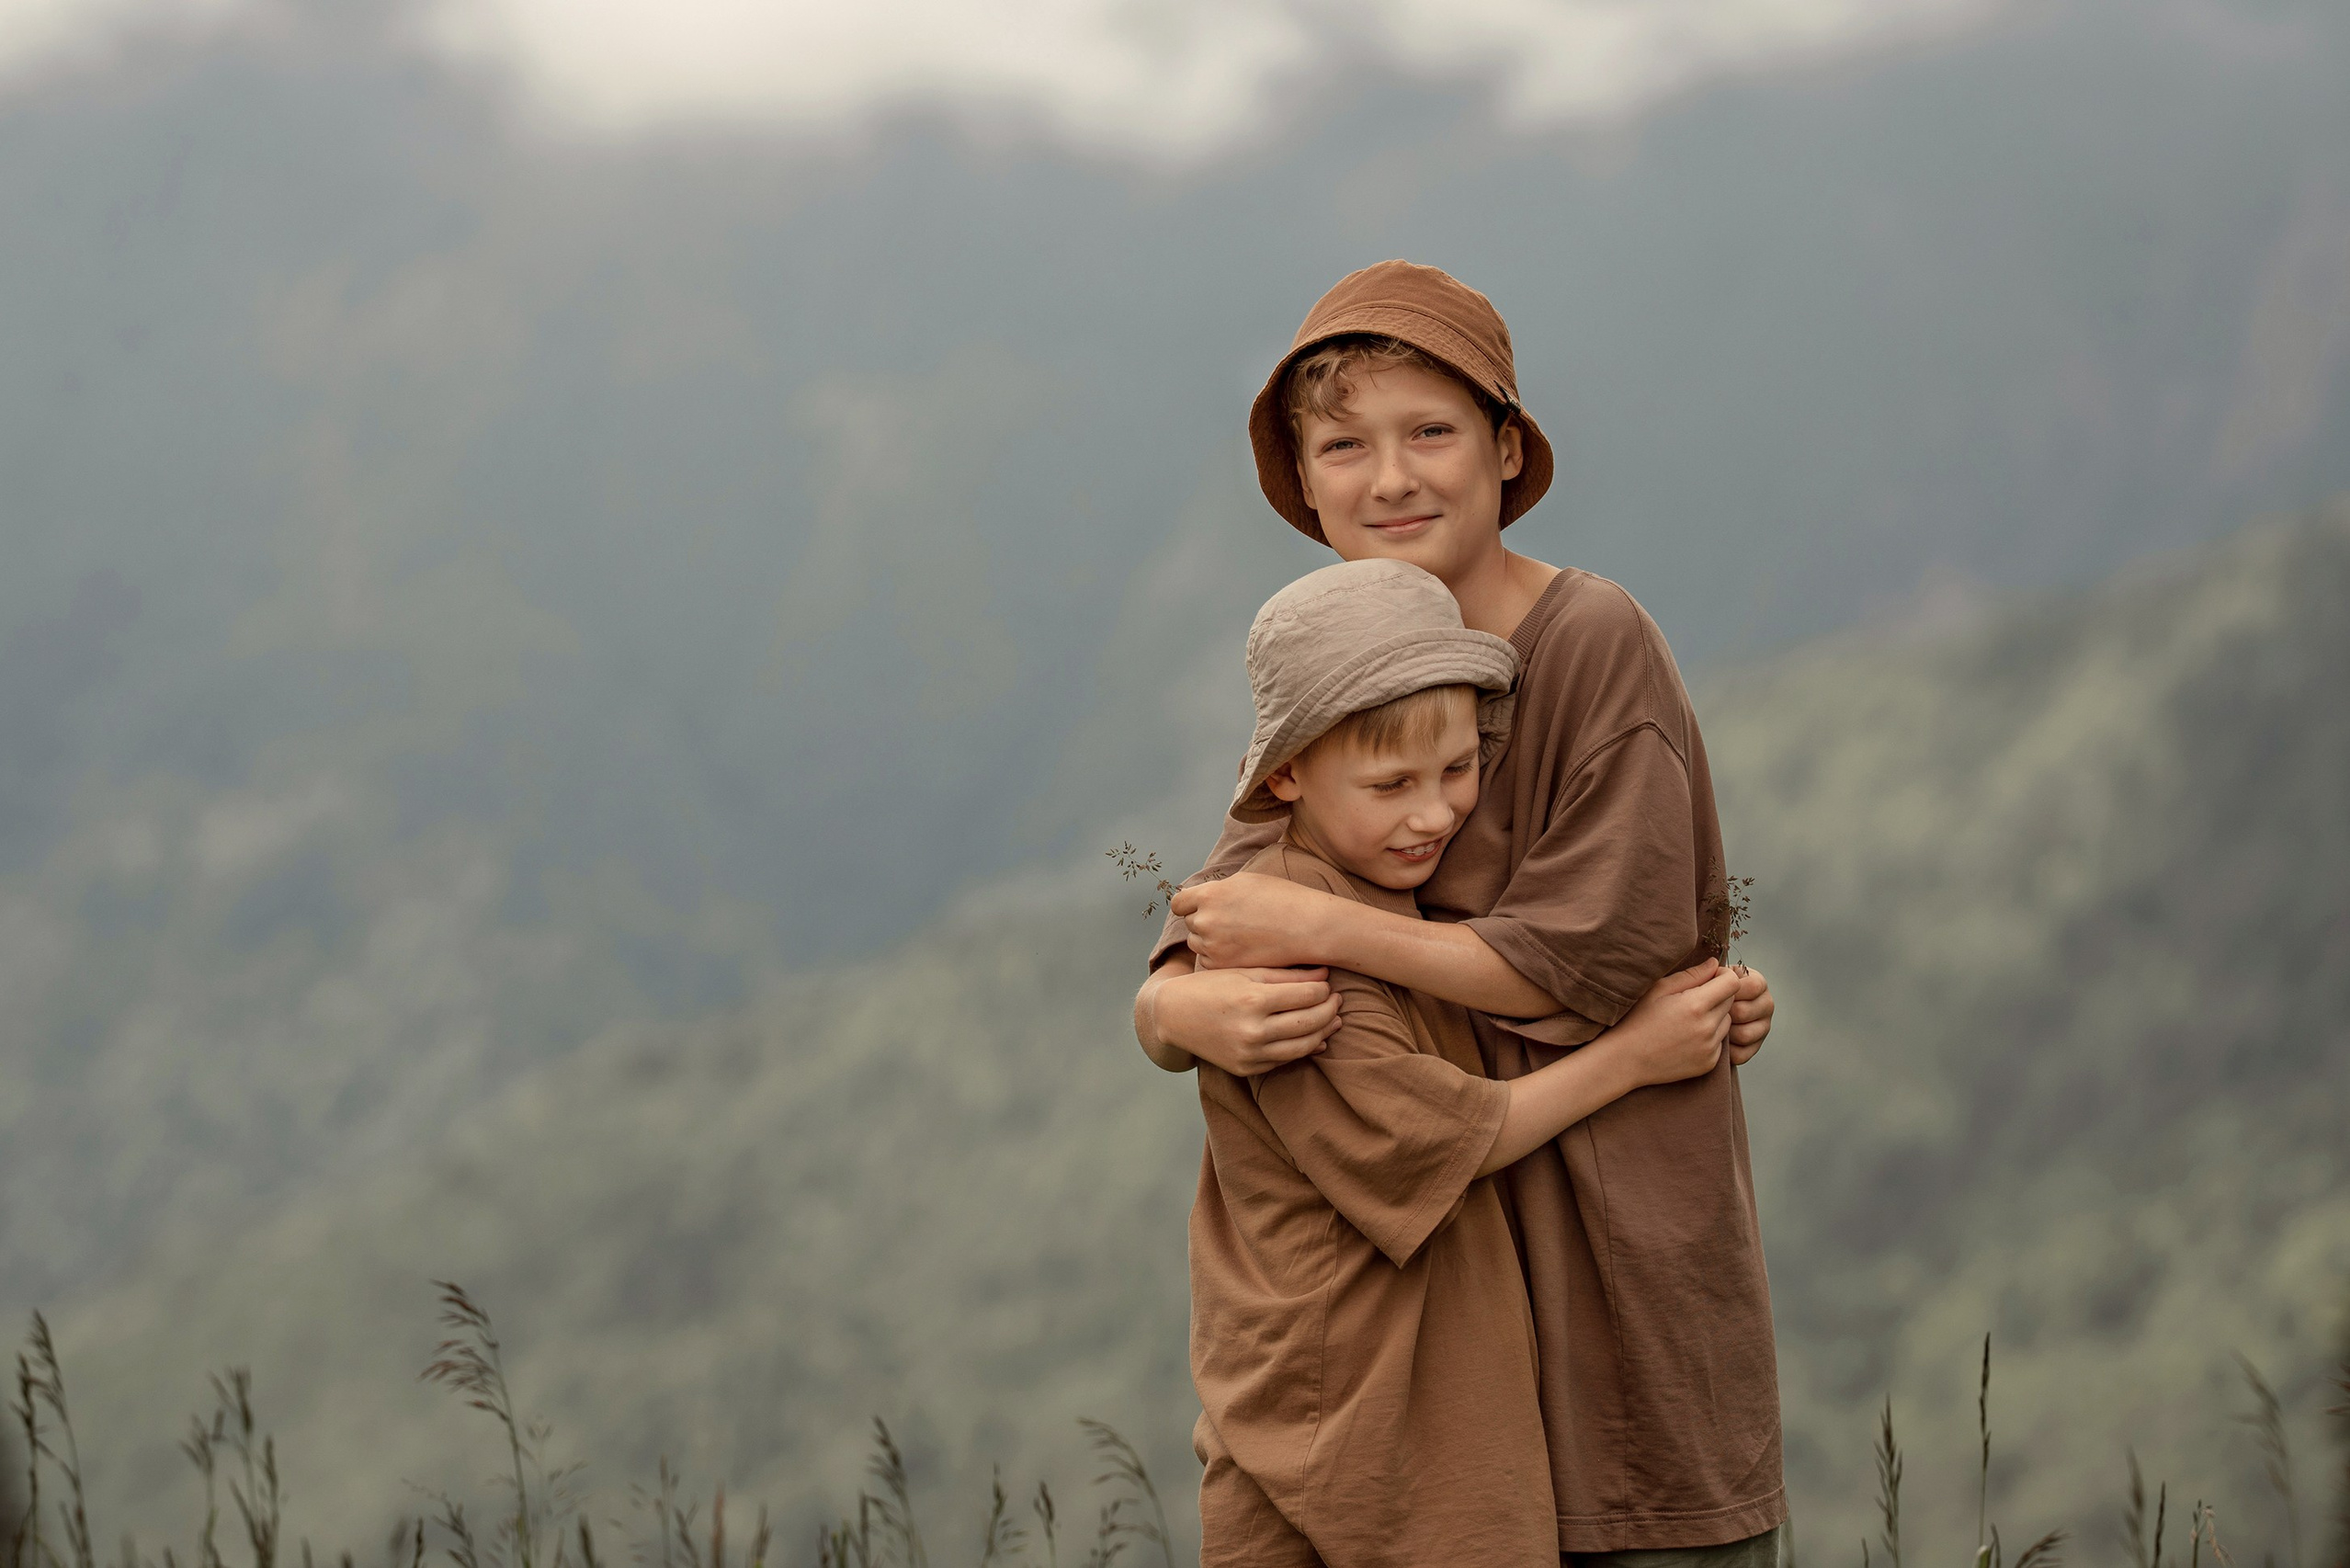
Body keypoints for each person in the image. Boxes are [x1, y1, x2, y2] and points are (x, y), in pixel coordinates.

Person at [1139, 260, 1788, 1562]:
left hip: (1613, 1253)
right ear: (1305, 483)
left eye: (1431, 431)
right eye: (1344, 446)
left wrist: (1328, 934)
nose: (1391, 479)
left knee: (1644, 1522)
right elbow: (1223, 914)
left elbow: (1586, 965)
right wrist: (1170, 1008)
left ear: (1503, 449)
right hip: (1417, 1336)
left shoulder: (1595, 642)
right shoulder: (1344, 669)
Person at [1187, 555, 1744, 1568]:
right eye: (1392, 783)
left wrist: (1689, 1001)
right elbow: (1439, 1133)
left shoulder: (1358, 884)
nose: (1435, 813)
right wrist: (1634, 1053)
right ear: (1284, 774)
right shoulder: (1288, 950)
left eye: (1456, 771)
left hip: (1397, 1398)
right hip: (1355, 1423)